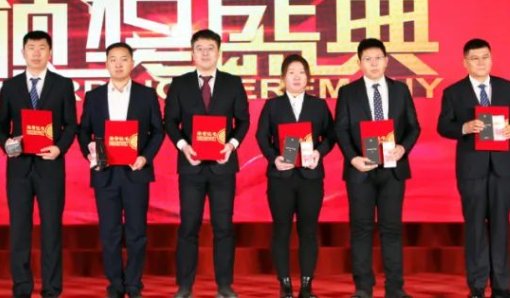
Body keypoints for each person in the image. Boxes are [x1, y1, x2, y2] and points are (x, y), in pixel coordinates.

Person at [437, 38, 510, 298]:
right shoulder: (454, 92)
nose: (481, 62)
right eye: (474, 58)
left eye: (485, 57)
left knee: (501, 226)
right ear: (465, 62)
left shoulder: (506, 87)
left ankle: (501, 287)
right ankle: (477, 287)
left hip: (503, 167)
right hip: (471, 169)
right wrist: (464, 127)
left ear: (491, 58)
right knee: (475, 226)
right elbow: (443, 125)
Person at [164, 29, 250, 298]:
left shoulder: (233, 83)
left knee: (223, 227)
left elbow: (243, 121)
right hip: (191, 165)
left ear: (218, 52)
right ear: (192, 53)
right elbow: (170, 122)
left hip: (223, 166)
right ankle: (184, 286)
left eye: (210, 48)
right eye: (199, 48)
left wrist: (231, 145)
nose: (204, 53)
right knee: (189, 226)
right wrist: (183, 146)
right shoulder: (180, 84)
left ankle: (224, 285)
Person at [334, 38, 421, 298]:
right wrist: (353, 158)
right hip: (360, 169)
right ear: (359, 63)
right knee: (361, 229)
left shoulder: (400, 90)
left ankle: (395, 288)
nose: (373, 63)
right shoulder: (348, 92)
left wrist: (403, 148)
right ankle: (363, 288)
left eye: (378, 58)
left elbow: (414, 127)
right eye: (368, 59)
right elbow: (341, 129)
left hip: (393, 170)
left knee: (391, 229)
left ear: (386, 60)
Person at [78, 42, 165, 298]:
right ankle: (115, 284)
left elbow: (157, 131)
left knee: (137, 232)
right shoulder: (94, 97)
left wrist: (145, 157)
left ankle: (134, 284)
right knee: (110, 233)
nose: (118, 64)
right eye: (113, 59)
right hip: (105, 172)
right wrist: (89, 153)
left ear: (132, 63)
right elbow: (83, 131)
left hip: (135, 171)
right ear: (106, 64)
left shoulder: (146, 95)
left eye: (123, 59)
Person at [0, 30, 77, 298]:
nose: (37, 53)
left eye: (42, 48)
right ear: (23, 52)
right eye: (31, 48)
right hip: (19, 168)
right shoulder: (10, 86)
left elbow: (71, 124)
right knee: (19, 229)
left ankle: (51, 289)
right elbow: (1, 125)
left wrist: (59, 148)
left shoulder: (63, 85)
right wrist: (7, 144)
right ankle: (22, 287)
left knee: (51, 229)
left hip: (50, 166)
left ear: (50, 53)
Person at [255, 54, 336, 298]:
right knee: (281, 230)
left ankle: (307, 285)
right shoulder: (273, 106)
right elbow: (261, 137)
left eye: (301, 72)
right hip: (281, 177)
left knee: (308, 231)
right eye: (291, 73)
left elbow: (331, 135)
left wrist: (319, 153)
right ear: (283, 78)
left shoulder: (318, 106)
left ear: (308, 77)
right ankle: (285, 283)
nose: (297, 77)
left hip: (310, 177)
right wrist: (274, 158)